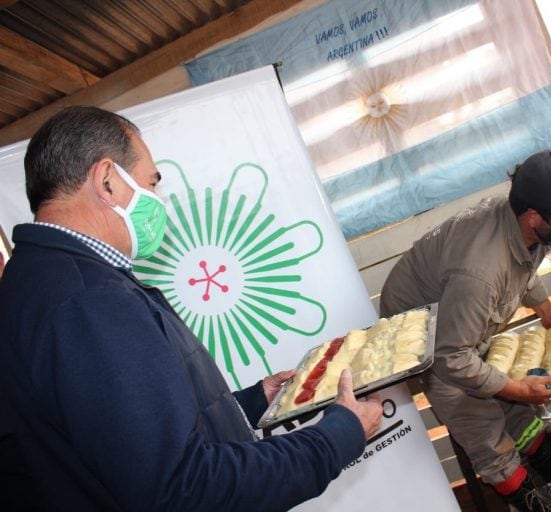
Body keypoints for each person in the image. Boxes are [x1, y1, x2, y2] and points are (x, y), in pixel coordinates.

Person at [0, 106, 383, 511]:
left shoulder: (41, 279)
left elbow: (116, 436)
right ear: (108, 181)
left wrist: (244, 405)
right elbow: (184, 489)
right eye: (151, 183)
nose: (157, 200)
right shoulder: (87, 300)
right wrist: (337, 437)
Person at [380, 150, 551, 511]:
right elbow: (450, 356)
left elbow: (523, 267)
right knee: (485, 430)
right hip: (425, 343)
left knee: (519, 411)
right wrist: (517, 388)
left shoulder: (521, 225)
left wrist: (545, 308)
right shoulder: (481, 274)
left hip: (459, 319)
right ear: (534, 215)